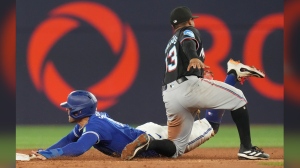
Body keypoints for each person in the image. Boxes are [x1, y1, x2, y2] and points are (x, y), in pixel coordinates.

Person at [121, 6, 270, 160]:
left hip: (170, 94)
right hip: (188, 87)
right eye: (192, 20)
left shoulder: (169, 44)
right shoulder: (188, 30)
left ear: (173, 26)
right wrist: (193, 56)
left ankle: (149, 144)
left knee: (176, 147)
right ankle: (246, 148)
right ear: (189, 21)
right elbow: (188, 41)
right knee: (238, 98)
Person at [31, 90, 214, 160]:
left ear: (79, 111)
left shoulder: (94, 128)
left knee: (211, 126)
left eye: (70, 107)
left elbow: (79, 147)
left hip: (156, 140)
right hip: (143, 132)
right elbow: (70, 138)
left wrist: (50, 154)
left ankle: (232, 76)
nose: (67, 109)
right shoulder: (89, 120)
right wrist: (45, 151)